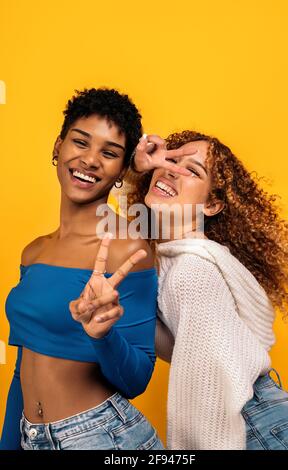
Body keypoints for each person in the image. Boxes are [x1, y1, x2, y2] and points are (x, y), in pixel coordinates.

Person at [0, 88, 166, 450]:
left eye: (109, 153)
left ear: (122, 171)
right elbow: (24, 366)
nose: (90, 160)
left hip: (103, 437)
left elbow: (137, 379)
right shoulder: (33, 251)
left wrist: (102, 335)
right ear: (58, 146)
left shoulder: (129, 249)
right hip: (33, 437)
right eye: (80, 142)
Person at [131, 130, 288, 450]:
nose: (172, 170)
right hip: (267, 421)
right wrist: (136, 167)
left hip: (256, 427)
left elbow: (209, 395)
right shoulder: (174, 257)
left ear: (211, 205)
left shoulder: (191, 273)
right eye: (171, 159)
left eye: (192, 170)